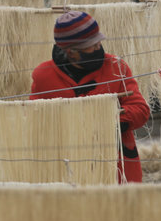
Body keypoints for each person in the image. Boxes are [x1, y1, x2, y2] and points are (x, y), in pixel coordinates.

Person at [31, 10, 149, 183]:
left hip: (116, 167)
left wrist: (104, 119)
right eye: (91, 45)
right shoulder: (43, 76)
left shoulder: (116, 67)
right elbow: (35, 120)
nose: (98, 48)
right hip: (65, 168)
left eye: (98, 42)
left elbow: (140, 110)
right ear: (71, 52)